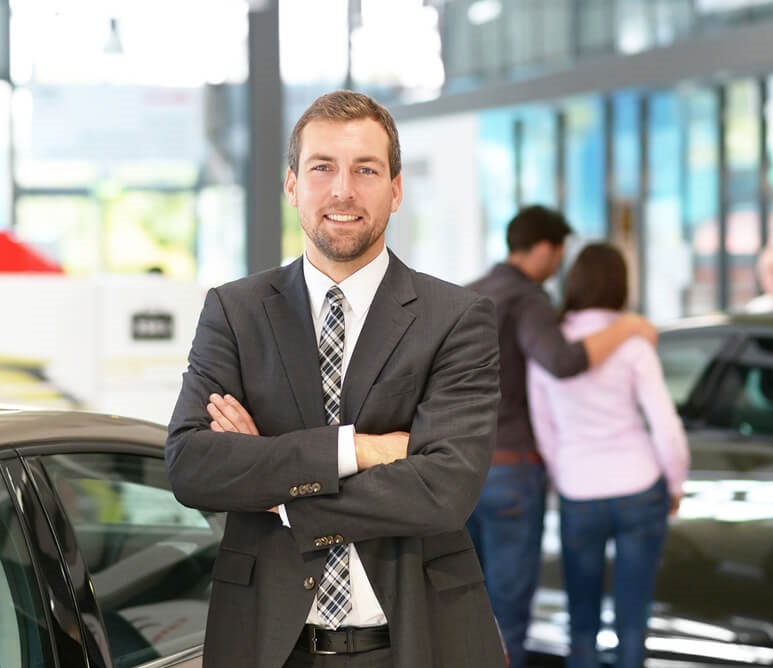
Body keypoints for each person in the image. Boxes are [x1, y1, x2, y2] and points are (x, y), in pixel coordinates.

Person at [165, 90, 506, 668]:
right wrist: (360, 449)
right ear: (292, 184)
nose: (343, 190)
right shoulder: (235, 311)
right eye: (323, 168)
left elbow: (445, 490)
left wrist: (282, 494)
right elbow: (192, 466)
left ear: (396, 190)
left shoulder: (456, 318)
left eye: (365, 170)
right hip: (268, 645)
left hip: (417, 641)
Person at [466, 205, 657, 668]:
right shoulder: (528, 299)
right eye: (559, 252)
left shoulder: (467, 294)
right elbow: (561, 360)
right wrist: (629, 326)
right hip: (513, 469)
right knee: (508, 616)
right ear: (547, 249)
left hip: (464, 469)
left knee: (466, 610)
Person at [526, 242, 689, 668]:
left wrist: (565, 479)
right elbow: (666, 425)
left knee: (582, 624)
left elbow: (546, 430)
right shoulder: (633, 343)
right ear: (621, 285)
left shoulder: (549, 344)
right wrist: (674, 483)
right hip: (638, 487)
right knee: (632, 623)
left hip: (579, 491)